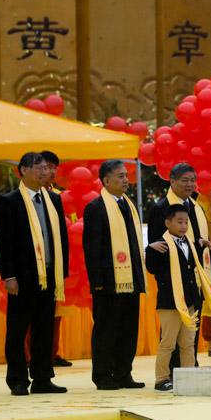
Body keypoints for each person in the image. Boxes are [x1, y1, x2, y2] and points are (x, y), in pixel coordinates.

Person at [0, 152, 69, 395]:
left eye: (46, 168)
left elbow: (62, 239)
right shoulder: (11, 201)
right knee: (18, 329)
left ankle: (42, 378)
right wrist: (9, 276)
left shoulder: (53, 199)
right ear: (23, 171)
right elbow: (4, 242)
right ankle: (17, 379)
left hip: (49, 274)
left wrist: (62, 273)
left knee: (44, 328)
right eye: (38, 167)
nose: (44, 172)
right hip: (23, 276)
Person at [145, 204, 211, 391]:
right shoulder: (161, 244)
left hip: (190, 301)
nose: (184, 226)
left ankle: (188, 375)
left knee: (187, 343)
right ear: (167, 223)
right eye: (179, 222)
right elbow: (152, 268)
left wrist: (201, 247)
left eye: (186, 222)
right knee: (168, 343)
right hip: (170, 302)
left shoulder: (190, 243)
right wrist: (150, 249)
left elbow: (189, 267)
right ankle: (161, 379)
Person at [82, 159, 146, 390]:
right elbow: (92, 247)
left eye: (126, 175)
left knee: (128, 330)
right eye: (120, 176)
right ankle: (102, 375)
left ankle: (123, 373)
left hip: (131, 280)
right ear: (106, 181)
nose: (126, 180)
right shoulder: (96, 207)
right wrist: (97, 281)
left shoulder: (129, 205)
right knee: (106, 330)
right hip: (108, 282)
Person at [147, 163, 211, 369]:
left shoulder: (196, 206)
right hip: (173, 281)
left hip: (196, 279)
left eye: (193, 180)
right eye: (184, 180)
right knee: (172, 333)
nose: (190, 184)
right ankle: (170, 373)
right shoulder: (161, 208)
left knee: (190, 332)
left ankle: (188, 369)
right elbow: (158, 246)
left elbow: (193, 243)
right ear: (172, 181)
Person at [39, 150, 74, 368]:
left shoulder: (61, 196)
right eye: (46, 167)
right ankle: (30, 356)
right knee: (34, 313)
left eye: (54, 167)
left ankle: (52, 353)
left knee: (56, 310)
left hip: (58, 261)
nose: (51, 172)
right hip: (36, 261)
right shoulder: (24, 196)